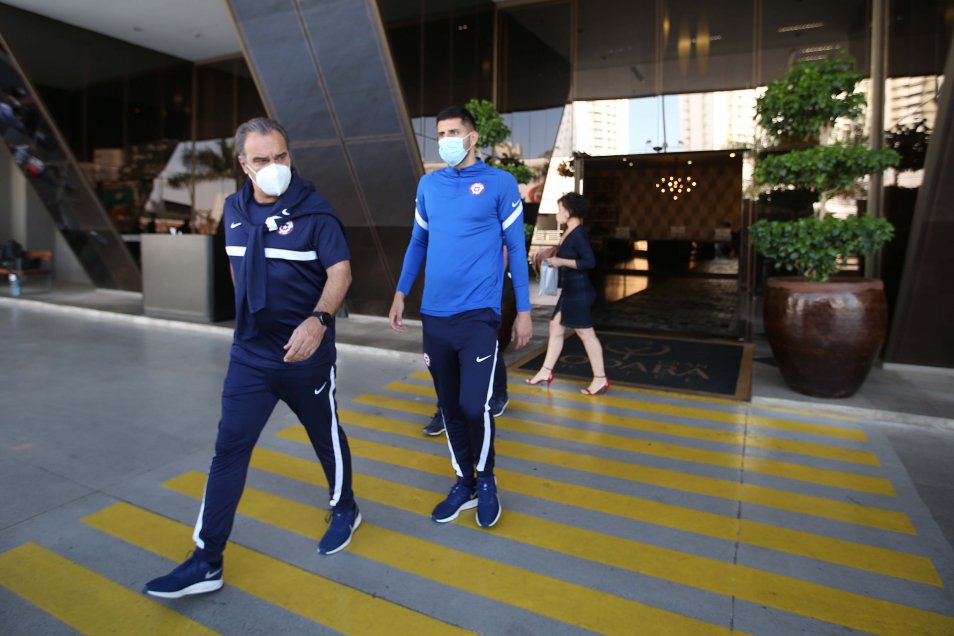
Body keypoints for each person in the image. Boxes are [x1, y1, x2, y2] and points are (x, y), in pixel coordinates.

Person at [144, 117, 359, 598]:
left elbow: (340, 273)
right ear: (244, 165)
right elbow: (238, 266)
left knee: (324, 435)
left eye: (281, 156)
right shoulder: (234, 209)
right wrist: (247, 325)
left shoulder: (315, 212)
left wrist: (319, 320)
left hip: (306, 353)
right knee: (229, 450)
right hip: (251, 357)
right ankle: (206, 559)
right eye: (261, 159)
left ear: (290, 156)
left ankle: (345, 506)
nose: (274, 166)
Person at [389, 105, 532, 528]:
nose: (447, 139)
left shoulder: (500, 184)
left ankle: (486, 480)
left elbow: (518, 252)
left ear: (472, 138)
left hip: (479, 316)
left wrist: (523, 311)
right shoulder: (429, 186)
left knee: (474, 404)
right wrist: (400, 293)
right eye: (441, 133)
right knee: (449, 406)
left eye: (454, 131)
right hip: (434, 315)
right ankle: (463, 481)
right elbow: (417, 243)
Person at [422, 249, 514, 436]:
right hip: (451, 295)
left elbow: (504, 254)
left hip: (484, 296)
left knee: (487, 349)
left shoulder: (492, 222)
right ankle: (446, 409)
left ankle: (498, 394)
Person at [526, 192, 609, 395]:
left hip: (579, 291)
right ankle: (546, 371)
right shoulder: (570, 231)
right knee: (555, 327)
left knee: (585, 333)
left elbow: (589, 262)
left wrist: (561, 261)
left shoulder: (578, 233)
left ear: (569, 211)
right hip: (571, 291)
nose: (557, 214)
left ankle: (600, 379)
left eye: (560, 209)